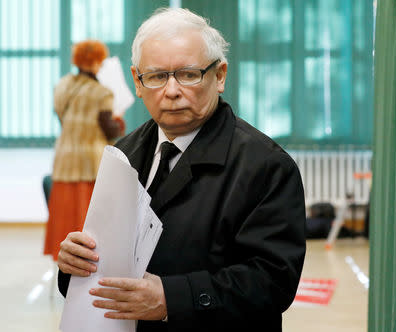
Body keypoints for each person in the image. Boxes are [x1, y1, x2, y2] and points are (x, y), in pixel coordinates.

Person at [57, 8, 306, 332]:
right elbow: (104, 256)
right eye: (157, 76)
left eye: (188, 74)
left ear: (219, 75)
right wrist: (74, 266)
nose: (172, 91)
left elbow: (272, 283)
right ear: (137, 81)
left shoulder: (267, 166)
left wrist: (170, 299)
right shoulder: (122, 156)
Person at [44, 40, 125, 261]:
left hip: (64, 159)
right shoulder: (102, 93)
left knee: (66, 219)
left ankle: (65, 264)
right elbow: (109, 130)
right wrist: (119, 123)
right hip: (91, 162)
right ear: (97, 62)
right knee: (88, 224)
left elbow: (61, 117)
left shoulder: (63, 85)